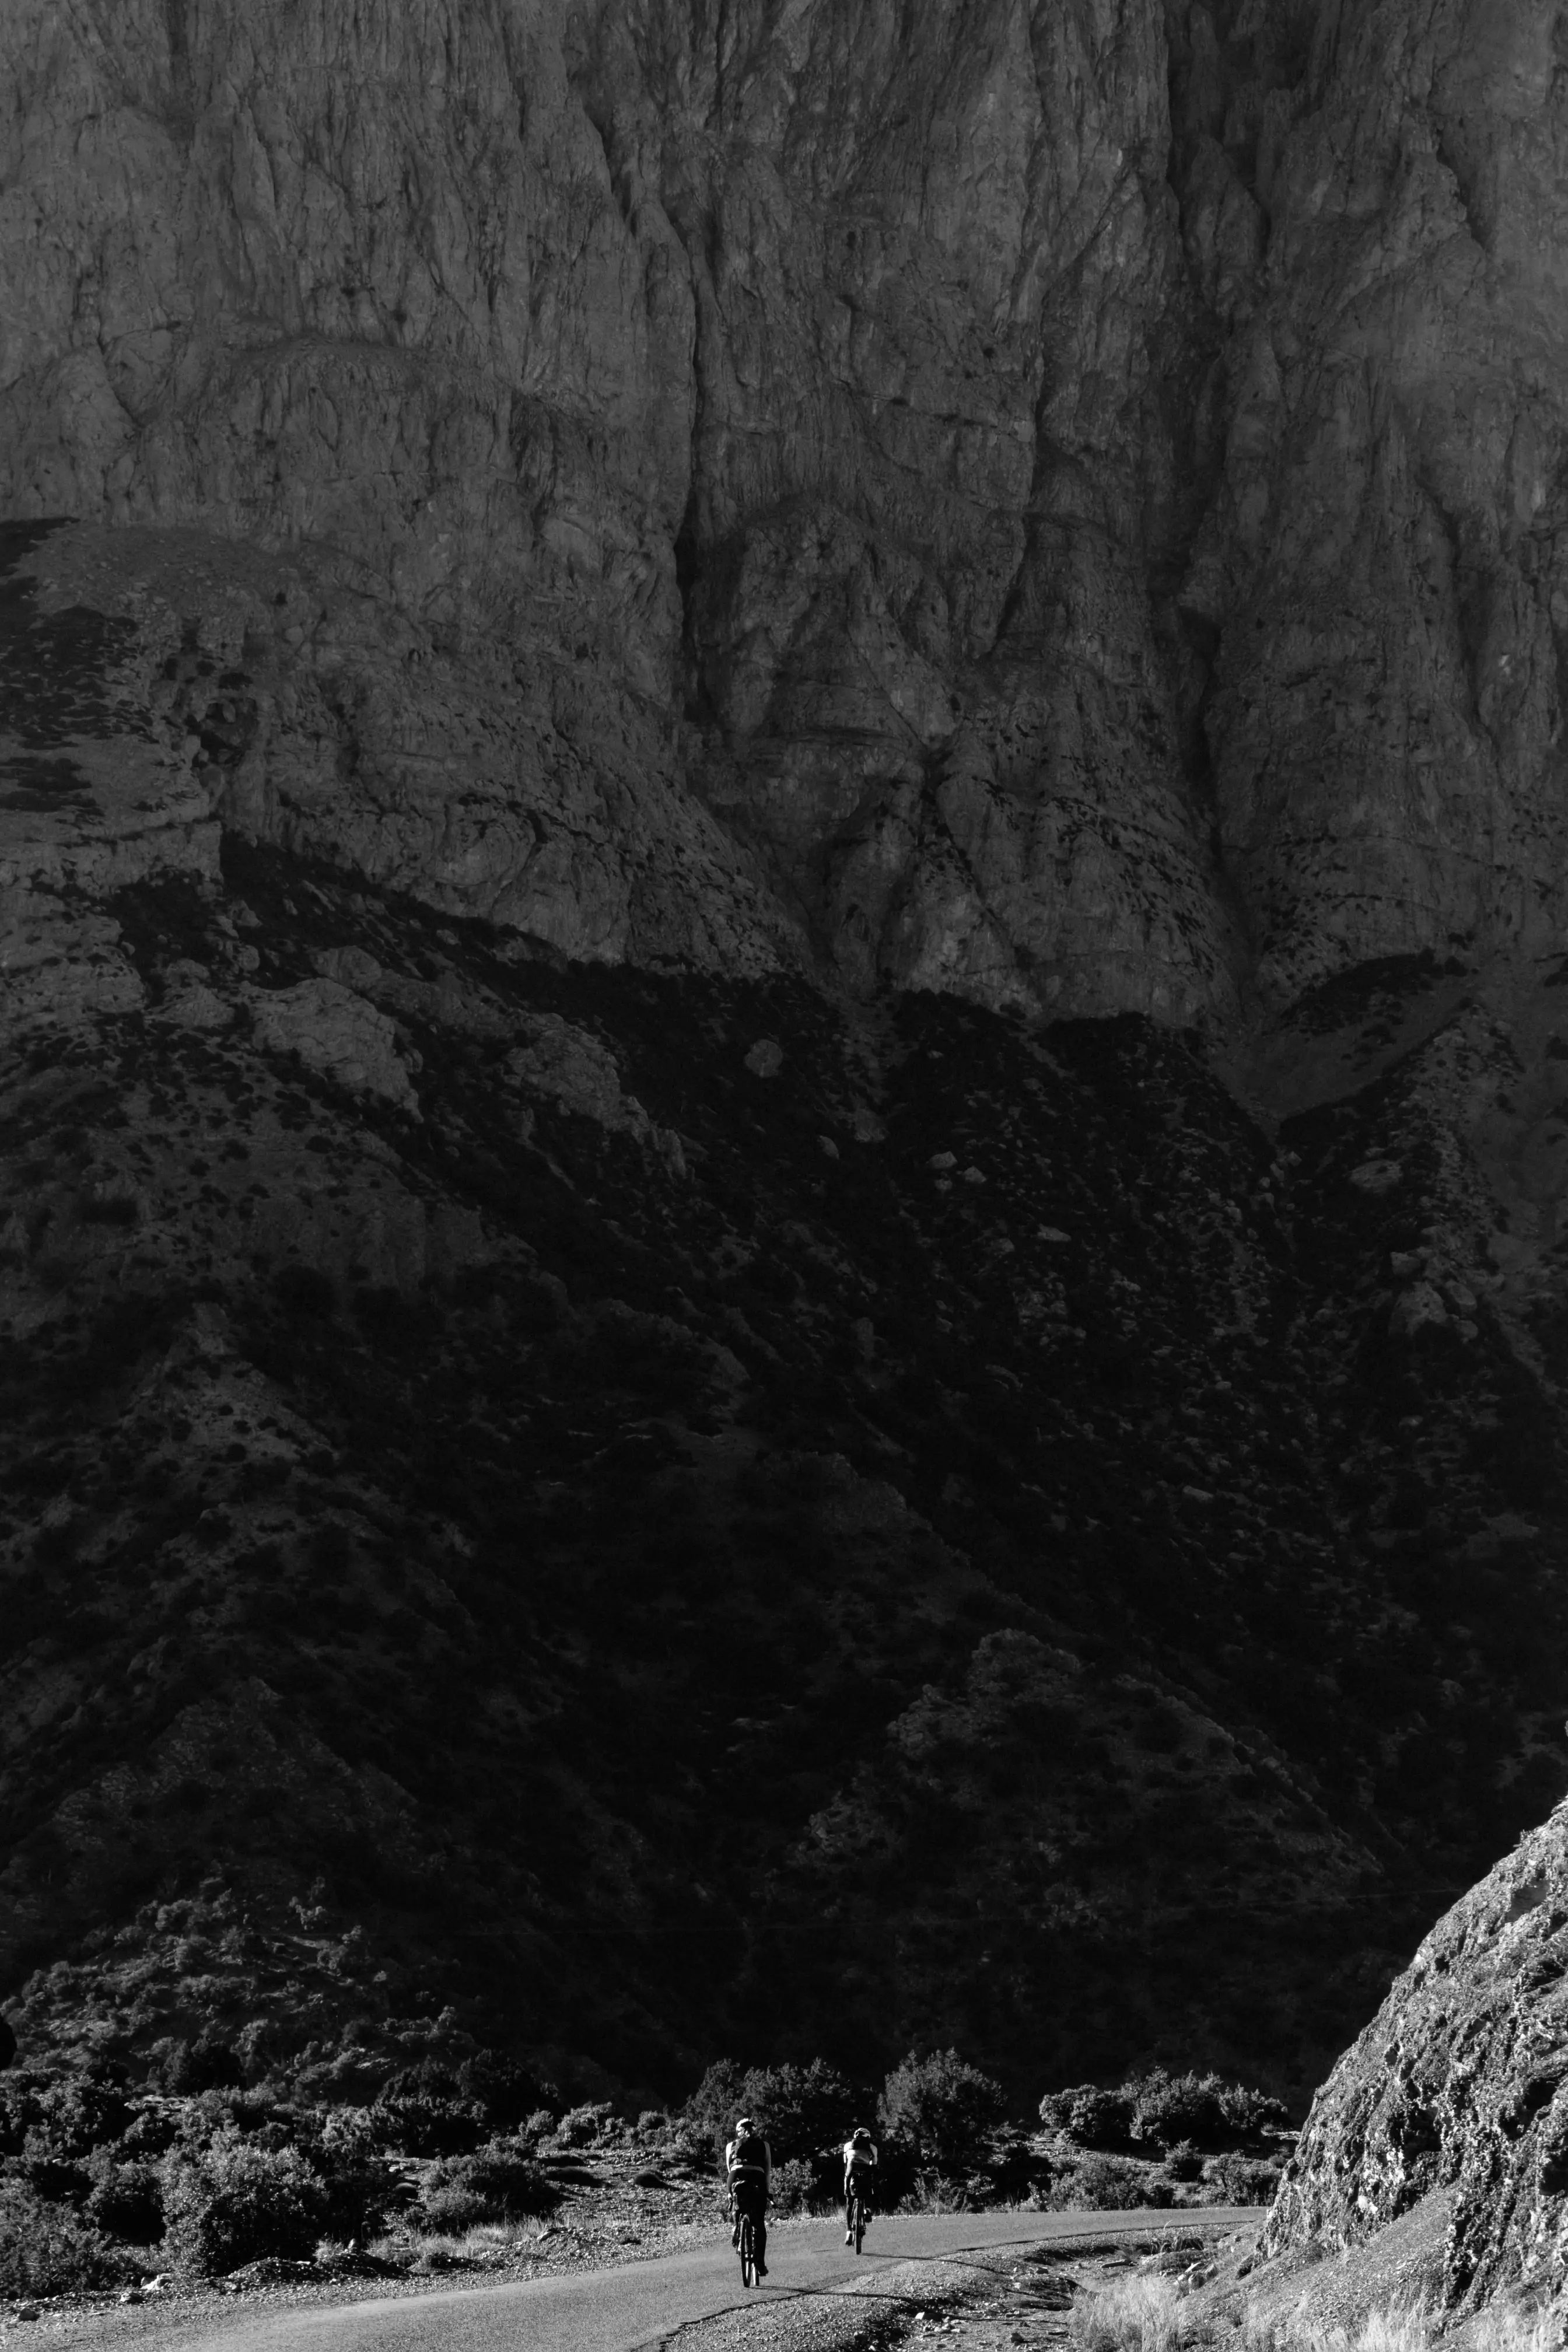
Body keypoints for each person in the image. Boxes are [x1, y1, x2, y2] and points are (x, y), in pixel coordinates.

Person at [724, 2113, 771, 2277]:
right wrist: (767, 2191)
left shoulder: (731, 2145)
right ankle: (760, 2264)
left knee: (735, 2201)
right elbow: (768, 2171)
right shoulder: (764, 2145)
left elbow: (730, 2168)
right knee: (759, 2224)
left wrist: (730, 2193)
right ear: (754, 2131)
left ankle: (736, 2228)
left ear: (739, 2132)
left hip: (736, 2176)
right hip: (757, 2177)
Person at [842, 2124, 877, 2242]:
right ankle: (867, 2209)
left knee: (849, 2203)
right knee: (870, 2187)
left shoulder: (847, 2146)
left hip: (851, 2170)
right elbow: (874, 2164)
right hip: (865, 2171)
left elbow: (845, 2163)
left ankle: (849, 2232)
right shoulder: (872, 2147)